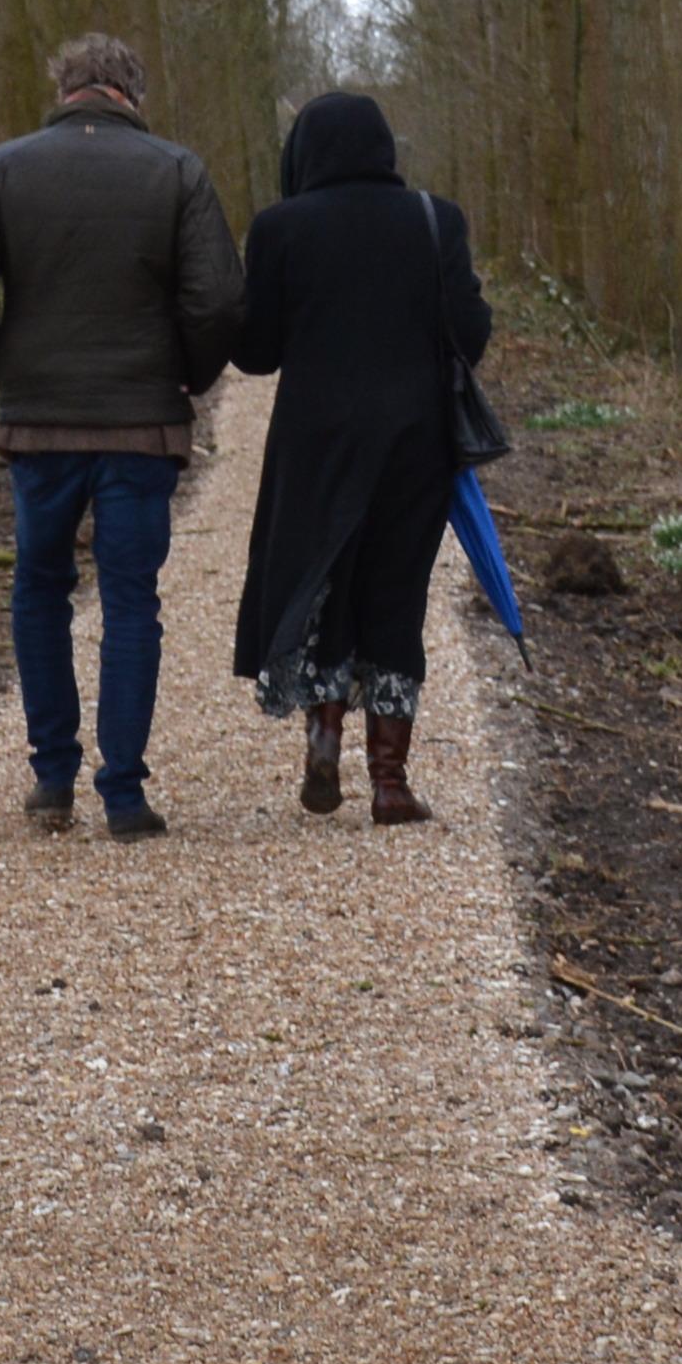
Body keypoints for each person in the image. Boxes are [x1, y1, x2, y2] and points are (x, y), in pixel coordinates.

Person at [0, 30, 244, 838]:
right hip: (142, 426)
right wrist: (189, 380)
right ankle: (125, 793)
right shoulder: (177, 171)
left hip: (39, 427)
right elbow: (217, 303)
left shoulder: (3, 168)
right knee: (131, 598)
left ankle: (52, 778)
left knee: (40, 589)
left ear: (64, 89)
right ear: (133, 94)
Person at [225, 89, 495, 825]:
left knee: (323, 576)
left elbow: (254, 354)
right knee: (395, 590)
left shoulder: (280, 228)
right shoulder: (435, 220)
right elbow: (469, 331)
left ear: (304, 153)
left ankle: (323, 734)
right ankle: (389, 782)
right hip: (416, 437)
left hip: (316, 439)